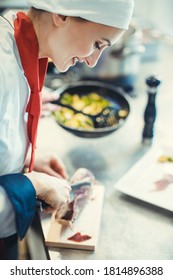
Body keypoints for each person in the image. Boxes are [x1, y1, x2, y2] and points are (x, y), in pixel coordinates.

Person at [0, 0, 134, 259]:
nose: (94, 62)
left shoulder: (22, 43)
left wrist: (22, 156)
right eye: (98, 44)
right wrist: (32, 184)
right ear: (61, 14)